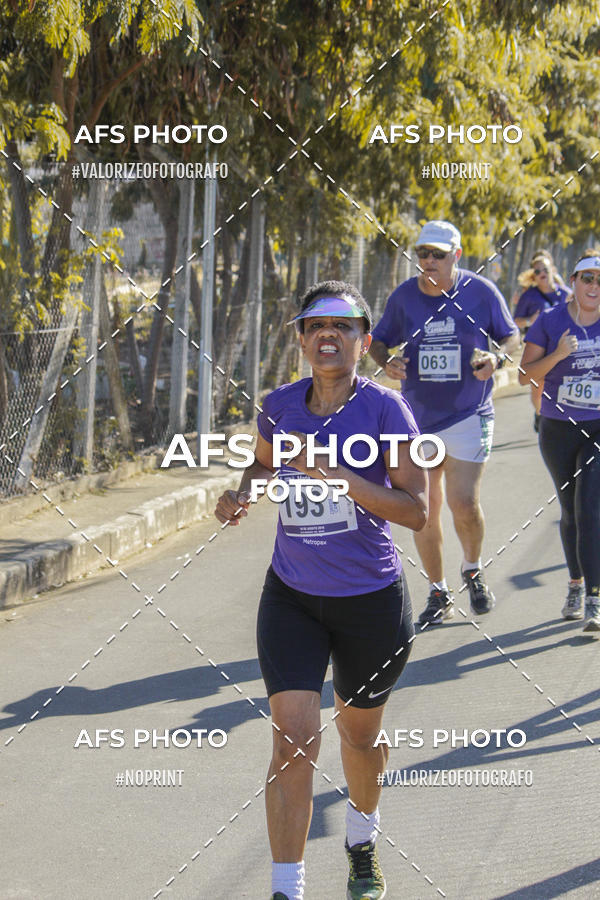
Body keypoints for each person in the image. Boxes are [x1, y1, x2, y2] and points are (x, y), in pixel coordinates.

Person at [215, 281, 428, 900]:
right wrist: (244, 493)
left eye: (343, 325)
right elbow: (261, 463)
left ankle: (362, 839)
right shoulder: (278, 405)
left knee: (360, 738)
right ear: (301, 338)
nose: (328, 335)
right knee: (293, 736)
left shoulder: (387, 410)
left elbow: (415, 511)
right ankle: (288, 888)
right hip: (292, 596)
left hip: (371, 602)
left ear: (363, 339)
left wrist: (338, 475)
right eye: (315, 325)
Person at [369, 220, 520, 626]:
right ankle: (438, 592)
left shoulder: (480, 292)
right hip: (418, 420)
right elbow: (378, 340)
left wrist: (497, 359)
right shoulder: (404, 298)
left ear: (456, 255)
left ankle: (471, 566)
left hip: (469, 413)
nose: (429, 261)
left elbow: (510, 337)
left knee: (463, 503)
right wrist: (387, 361)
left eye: (438, 254)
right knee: (424, 510)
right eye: (422, 254)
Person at [519, 249, 600, 632]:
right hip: (558, 428)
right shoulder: (550, 322)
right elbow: (524, 376)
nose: (594, 286)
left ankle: (595, 599)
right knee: (569, 512)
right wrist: (558, 354)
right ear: (573, 282)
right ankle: (575, 583)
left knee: (589, 509)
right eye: (588, 278)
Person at [512, 250, 571, 431]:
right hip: (538, 346)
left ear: (552, 269)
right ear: (533, 276)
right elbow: (515, 321)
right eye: (536, 271)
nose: (541, 273)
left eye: (544, 268)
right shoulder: (529, 296)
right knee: (538, 389)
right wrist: (531, 320)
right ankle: (540, 416)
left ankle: (565, 419)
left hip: (563, 347)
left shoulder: (566, 294)